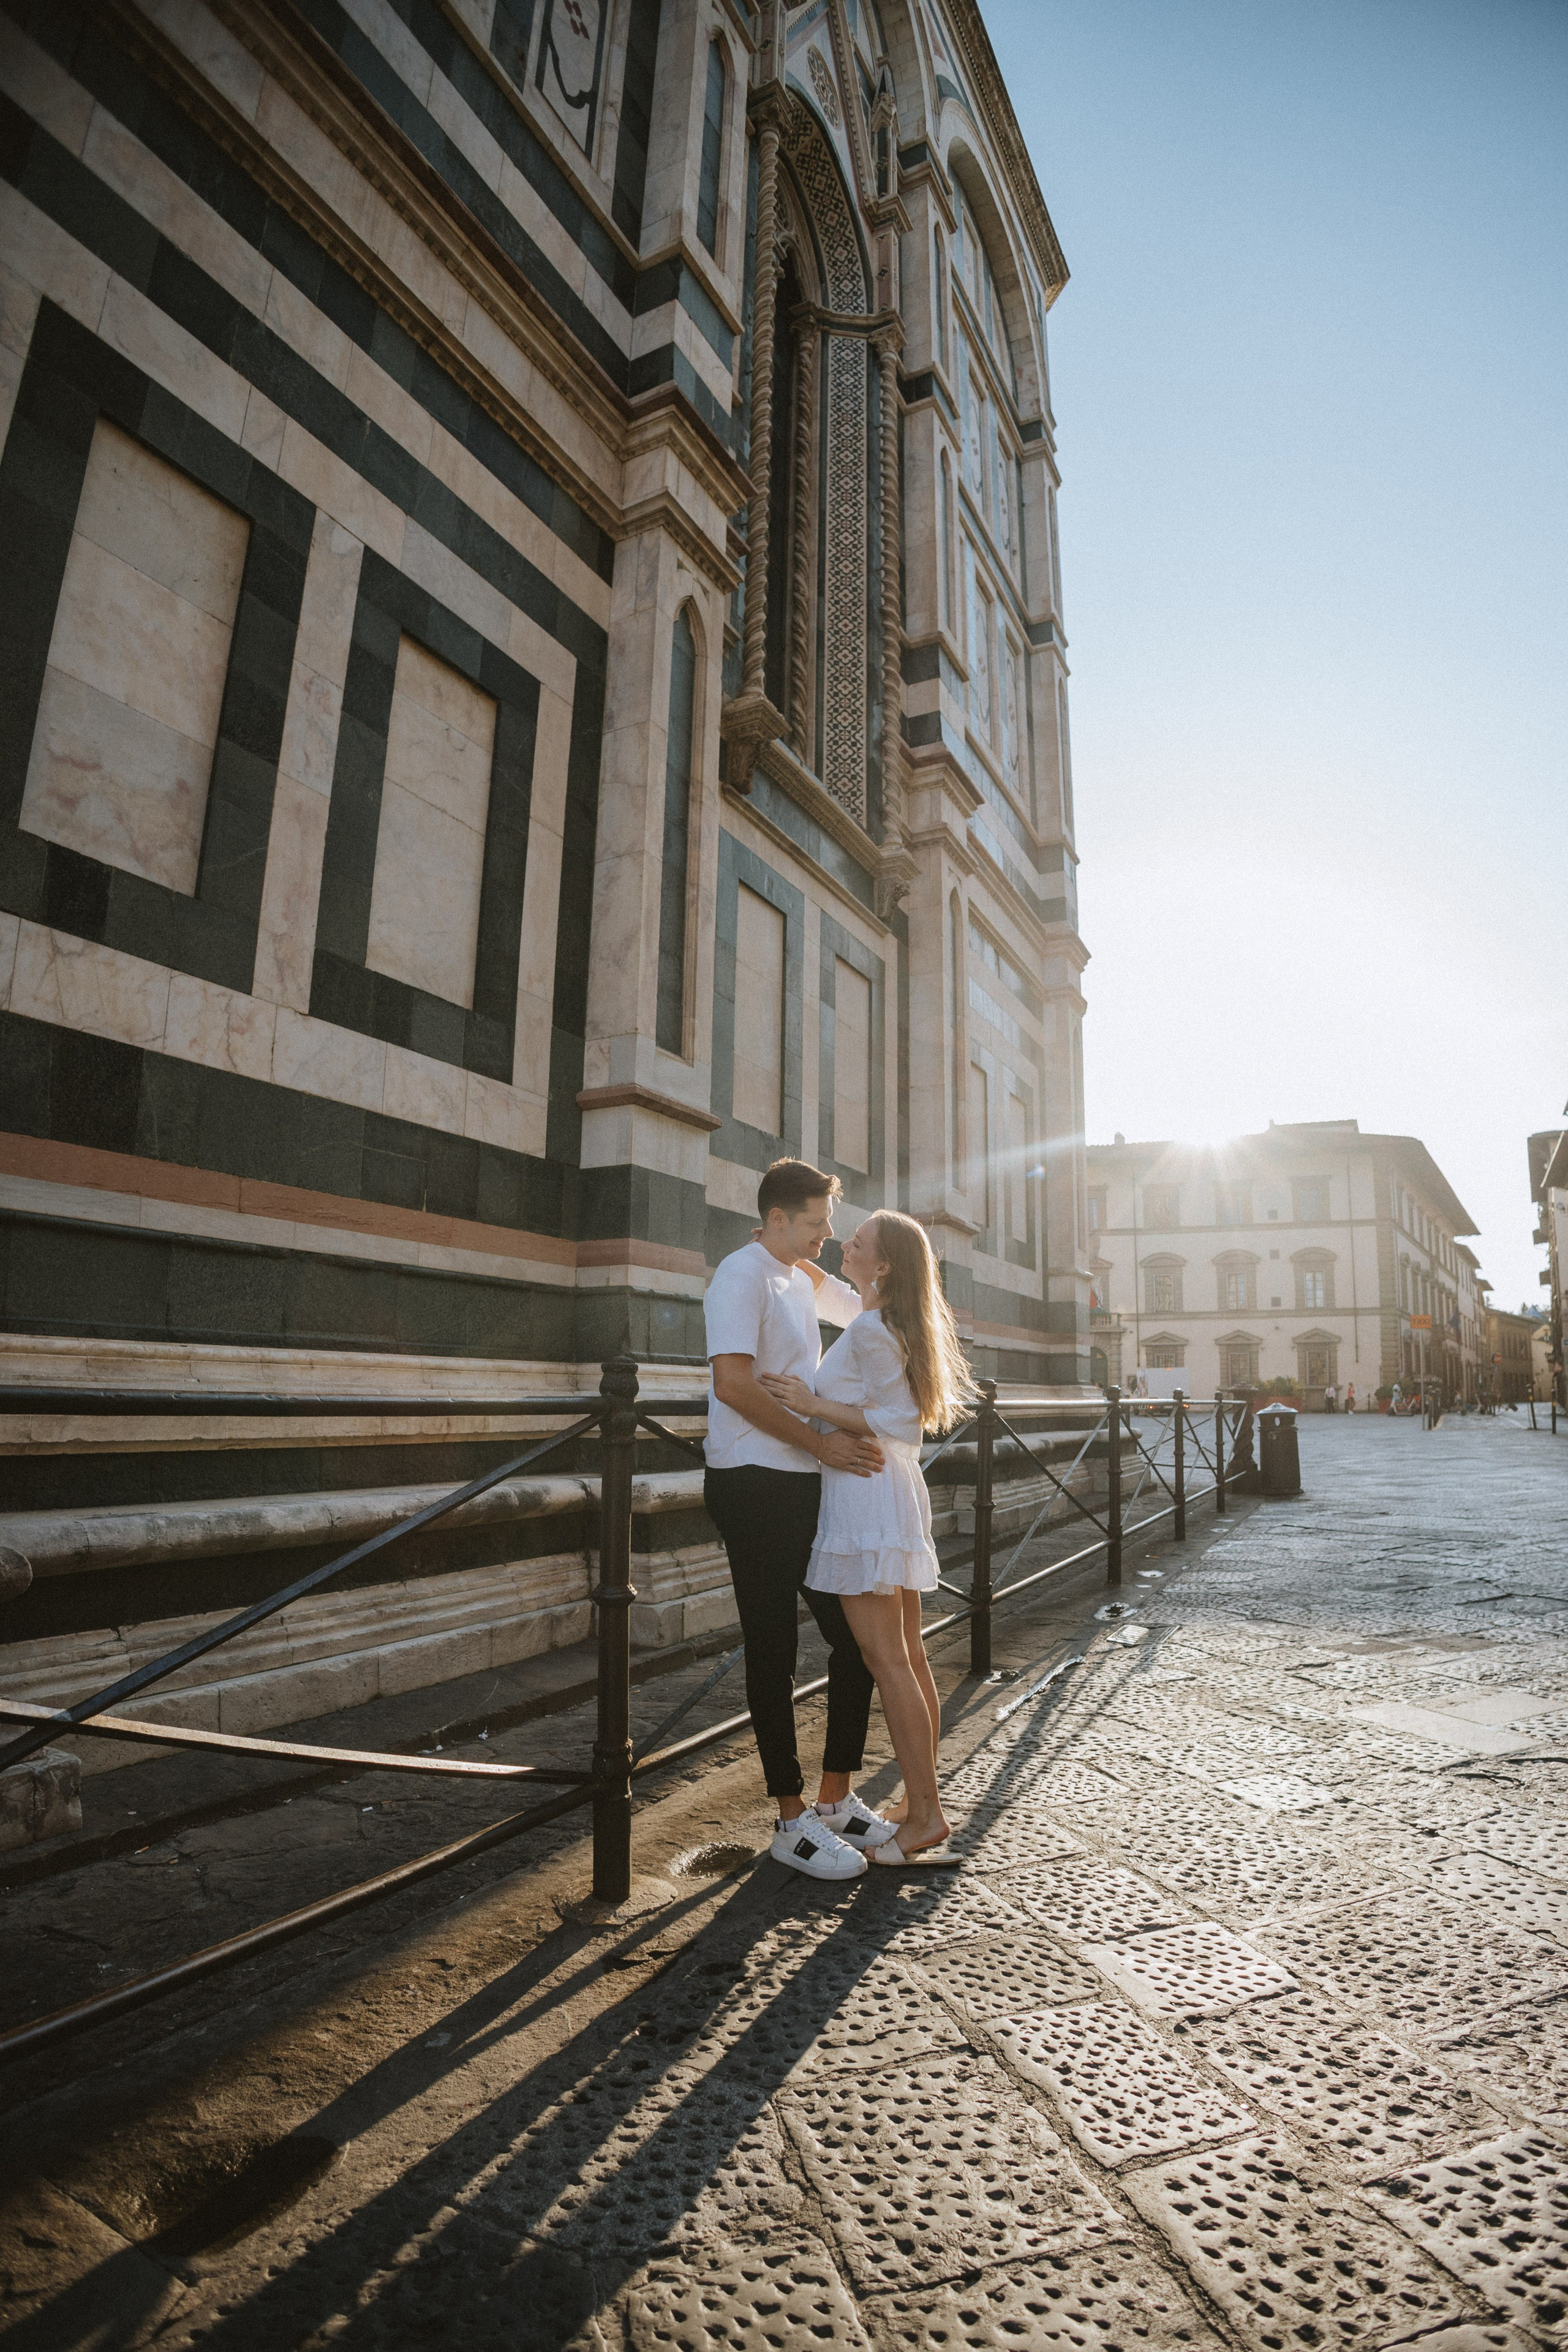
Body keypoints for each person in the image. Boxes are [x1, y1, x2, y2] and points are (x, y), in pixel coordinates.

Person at [703, 1159, 899, 1881]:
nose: (828, 1235)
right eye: (817, 1224)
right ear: (779, 1219)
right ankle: (789, 1822)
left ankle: (834, 1799)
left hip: (803, 1484)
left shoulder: (797, 1273)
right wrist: (820, 1439)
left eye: (830, 1224)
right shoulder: (742, 1274)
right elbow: (732, 1386)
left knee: (855, 1640)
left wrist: (904, 1280)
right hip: (752, 1483)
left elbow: (866, 1309)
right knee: (773, 1648)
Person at [761, 1210, 974, 1864]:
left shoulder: (878, 1329)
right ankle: (920, 1805)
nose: (844, 1243)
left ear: (882, 1266)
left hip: (865, 1491)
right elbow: (833, 1293)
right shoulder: (883, 1317)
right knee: (906, 1657)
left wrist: (810, 1404)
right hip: (887, 1492)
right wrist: (785, 1252)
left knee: (889, 1662)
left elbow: (900, 1422)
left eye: (857, 1242)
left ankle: (926, 1816)